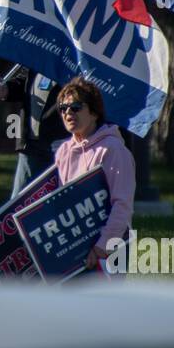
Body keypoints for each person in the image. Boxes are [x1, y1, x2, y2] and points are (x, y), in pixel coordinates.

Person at [53, 77, 136, 273]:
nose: (68, 113)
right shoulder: (63, 150)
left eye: (75, 107)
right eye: (63, 108)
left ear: (94, 112)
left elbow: (122, 206)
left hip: (111, 247)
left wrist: (101, 248)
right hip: (76, 249)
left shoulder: (113, 149)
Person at [0, 68, 67, 196]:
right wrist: (5, 89)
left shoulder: (82, 58)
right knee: (19, 206)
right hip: (32, 146)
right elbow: (25, 81)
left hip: (68, 149)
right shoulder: (42, 53)